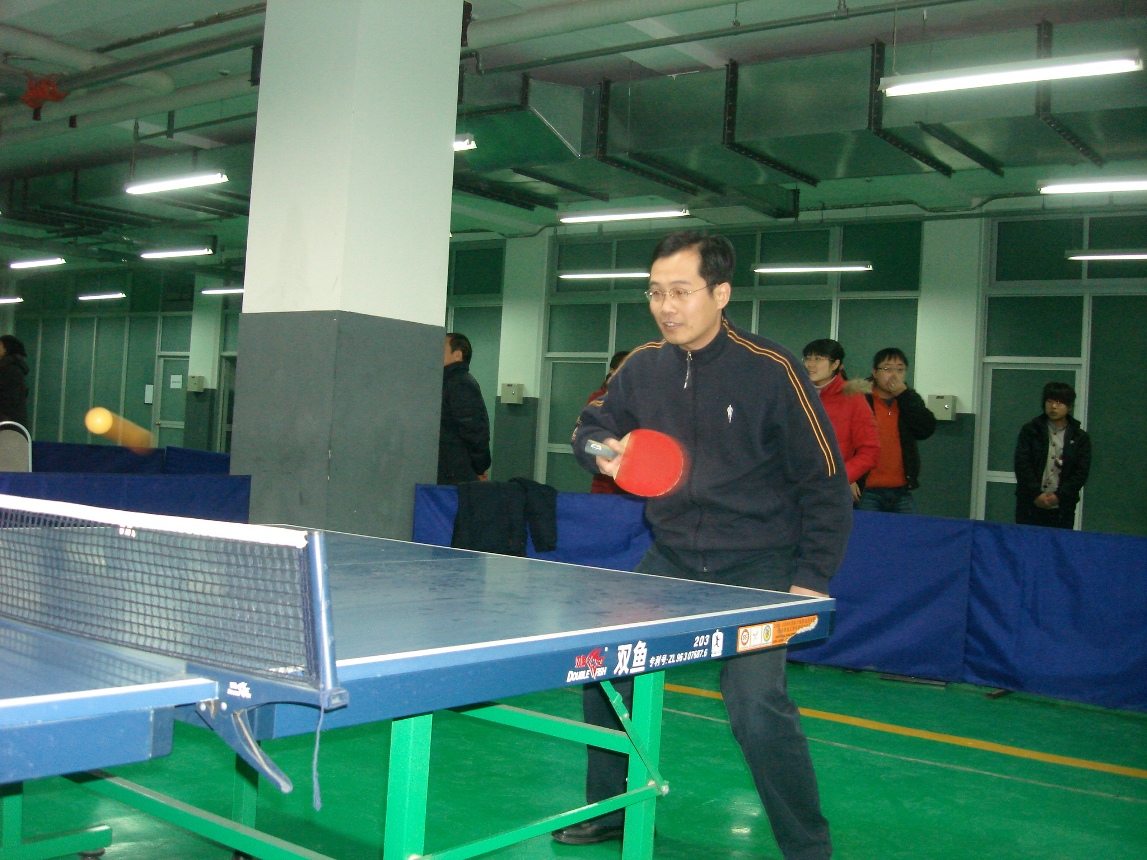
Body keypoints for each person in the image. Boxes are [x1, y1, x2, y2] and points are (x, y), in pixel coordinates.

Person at [561, 230, 852, 859]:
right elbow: (590, 427)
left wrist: (812, 578)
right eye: (655, 293)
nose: (666, 307)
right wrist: (601, 450)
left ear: (720, 294)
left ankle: (808, 847)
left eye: (681, 292)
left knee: (756, 704)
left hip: (760, 564)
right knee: (607, 672)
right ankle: (610, 809)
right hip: (672, 556)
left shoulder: (773, 370)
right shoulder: (643, 367)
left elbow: (826, 482)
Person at [856, 348, 936, 514]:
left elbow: (925, 430)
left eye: (900, 370)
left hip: (901, 489)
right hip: (866, 489)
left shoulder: (909, 399)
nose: (894, 375)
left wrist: (904, 396)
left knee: (909, 529)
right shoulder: (860, 398)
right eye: (887, 369)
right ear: (874, 372)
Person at [802, 339, 879, 503]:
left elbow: (870, 451)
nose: (810, 364)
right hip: (794, 489)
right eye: (808, 358)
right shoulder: (796, 394)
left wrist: (840, 478)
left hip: (830, 493)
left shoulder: (853, 399)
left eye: (818, 359)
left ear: (836, 364)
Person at [1014, 381, 1091, 529]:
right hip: (1030, 504)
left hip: (1062, 508)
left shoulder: (1080, 437)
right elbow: (1022, 464)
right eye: (1049, 401)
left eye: (1059, 402)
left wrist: (1059, 496)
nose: (1053, 406)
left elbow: (1080, 473)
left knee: (1058, 542)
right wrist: (1036, 494)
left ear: (1070, 407)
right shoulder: (1030, 431)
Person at [437, 332, 491, 485]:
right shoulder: (445, 382)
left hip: (455, 472)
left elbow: (474, 431)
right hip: (449, 469)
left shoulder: (461, 384)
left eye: (442, 348)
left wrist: (480, 467)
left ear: (457, 355)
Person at [585, 350, 629, 494]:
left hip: (634, 478)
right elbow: (588, 442)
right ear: (612, 371)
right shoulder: (598, 399)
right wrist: (611, 452)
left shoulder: (638, 399)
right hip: (606, 482)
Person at [0, 335, 29, 427]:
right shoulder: (14, 368)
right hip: (14, 421)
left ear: (6, 348)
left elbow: (9, 398)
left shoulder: (9, 369)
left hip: (7, 423)